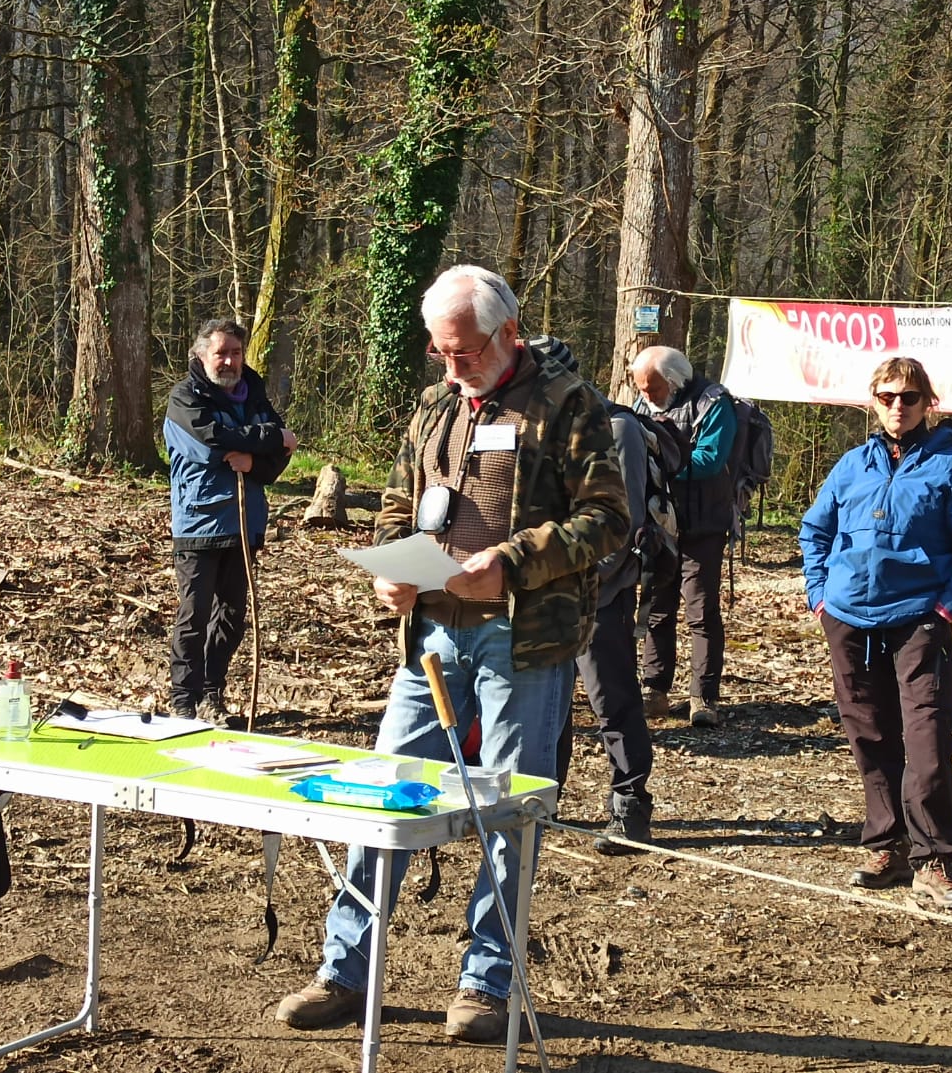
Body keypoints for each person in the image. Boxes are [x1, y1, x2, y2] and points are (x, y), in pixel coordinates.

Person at [275, 265, 628, 1043]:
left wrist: (514, 563)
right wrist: (393, 570)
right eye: (440, 352)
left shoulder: (569, 406)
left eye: (462, 351)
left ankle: (486, 981)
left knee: (509, 809)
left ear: (507, 333)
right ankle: (345, 967)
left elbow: (608, 520)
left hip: (521, 640)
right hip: (429, 637)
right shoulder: (435, 405)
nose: (451, 365)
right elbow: (400, 505)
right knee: (381, 795)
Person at [798, 356, 952, 910]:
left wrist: (947, 607)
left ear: (927, 403)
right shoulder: (851, 465)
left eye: (908, 397)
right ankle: (884, 844)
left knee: (927, 740)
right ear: (873, 400)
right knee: (868, 735)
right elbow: (815, 529)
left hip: (918, 619)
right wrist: (819, 596)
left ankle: (934, 858)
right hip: (848, 619)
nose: (897, 406)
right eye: (887, 396)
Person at [536, 336, 656, 855]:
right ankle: (544, 799)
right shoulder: (536, 425)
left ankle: (631, 808)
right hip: (542, 591)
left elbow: (619, 518)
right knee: (548, 703)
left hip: (599, 592)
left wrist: (587, 579)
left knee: (611, 698)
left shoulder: (619, 427)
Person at [163, 319, 297, 722]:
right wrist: (269, 438)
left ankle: (212, 691)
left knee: (233, 615)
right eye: (221, 352)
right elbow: (212, 444)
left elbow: (279, 459)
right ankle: (183, 701)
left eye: (235, 352)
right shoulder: (184, 398)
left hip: (245, 522)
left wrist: (255, 458)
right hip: (199, 523)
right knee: (194, 615)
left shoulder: (252, 393)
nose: (229, 361)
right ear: (201, 355)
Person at [630, 346, 736, 727]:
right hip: (660, 524)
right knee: (657, 606)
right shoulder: (641, 407)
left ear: (673, 382)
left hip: (704, 524)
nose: (646, 396)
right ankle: (654, 689)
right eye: (641, 389)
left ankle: (703, 697)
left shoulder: (714, 403)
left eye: (653, 389)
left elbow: (711, 458)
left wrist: (663, 462)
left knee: (700, 609)